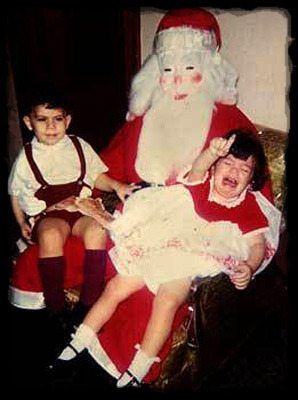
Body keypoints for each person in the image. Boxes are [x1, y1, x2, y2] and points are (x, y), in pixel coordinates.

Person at [10, 8, 281, 386]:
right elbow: (102, 167)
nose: (178, 81)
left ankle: (113, 369)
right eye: (168, 70)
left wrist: (243, 259)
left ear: (210, 70)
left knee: (144, 301)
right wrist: (75, 199)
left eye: (190, 69)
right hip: (130, 219)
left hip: (182, 237)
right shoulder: (144, 115)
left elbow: (255, 201)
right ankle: (51, 334)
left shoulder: (230, 125)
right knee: (39, 256)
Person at [50, 128, 274, 388]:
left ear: (252, 180)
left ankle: (139, 368)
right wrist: (211, 153)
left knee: (167, 299)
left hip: (188, 261)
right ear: (214, 167)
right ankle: (78, 342)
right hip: (159, 246)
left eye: (244, 170)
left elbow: (257, 244)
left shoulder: (249, 208)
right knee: (116, 286)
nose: (234, 172)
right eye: (227, 163)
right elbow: (199, 167)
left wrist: (249, 265)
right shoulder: (202, 181)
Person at [8, 86, 136, 325]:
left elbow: (96, 176)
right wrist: (21, 222)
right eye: (42, 120)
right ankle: (55, 306)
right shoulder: (26, 156)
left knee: (98, 229)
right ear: (28, 122)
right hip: (50, 212)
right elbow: (15, 192)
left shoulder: (79, 146)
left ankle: (89, 302)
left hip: (81, 207)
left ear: (67, 121)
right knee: (51, 234)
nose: (50, 127)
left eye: (57, 119)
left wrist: (118, 186)